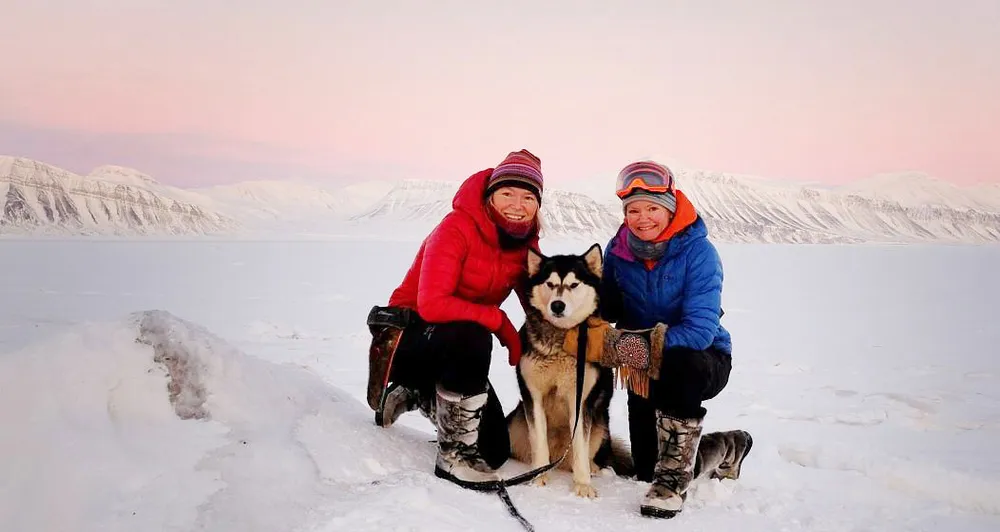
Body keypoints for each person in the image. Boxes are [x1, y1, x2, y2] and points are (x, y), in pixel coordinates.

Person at [563, 160, 750, 519]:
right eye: (633, 210)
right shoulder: (619, 250)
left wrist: (622, 347)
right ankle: (727, 447)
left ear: (670, 208)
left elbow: (699, 331)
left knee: (681, 364)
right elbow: (609, 306)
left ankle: (672, 485)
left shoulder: (699, 253)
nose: (642, 218)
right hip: (642, 367)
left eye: (652, 208)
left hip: (701, 359)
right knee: (648, 468)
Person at [364, 149, 544, 489]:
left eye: (528, 197)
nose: (517, 205)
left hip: (459, 350)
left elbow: (539, 303)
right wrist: (499, 322)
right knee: (473, 333)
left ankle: (420, 394)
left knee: (494, 452)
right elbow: (433, 305)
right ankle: (452, 455)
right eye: (507, 193)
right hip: (409, 336)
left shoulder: (523, 246)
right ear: (490, 195)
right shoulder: (456, 228)